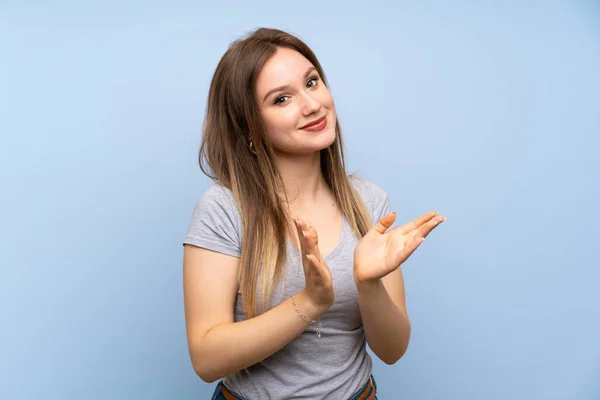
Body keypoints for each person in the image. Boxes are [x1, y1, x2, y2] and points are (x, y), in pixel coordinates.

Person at [182, 27, 445, 400]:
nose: (311, 105)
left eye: (312, 82)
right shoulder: (223, 209)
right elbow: (206, 360)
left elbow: (392, 350)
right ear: (248, 127)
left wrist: (368, 284)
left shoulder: (369, 204)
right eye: (282, 99)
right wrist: (309, 302)